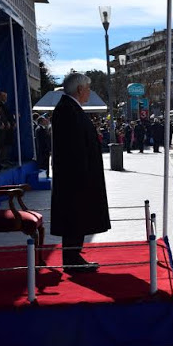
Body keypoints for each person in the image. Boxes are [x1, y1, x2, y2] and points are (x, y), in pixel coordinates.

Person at [51, 72, 110, 273]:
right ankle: (72, 259)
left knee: (77, 219)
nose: (89, 92)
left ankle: (74, 255)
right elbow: (73, 149)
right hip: (75, 178)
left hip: (77, 177)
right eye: (88, 88)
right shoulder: (68, 110)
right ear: (79, 89)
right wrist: (84, 177)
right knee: (75, 218)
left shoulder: (70, 108)